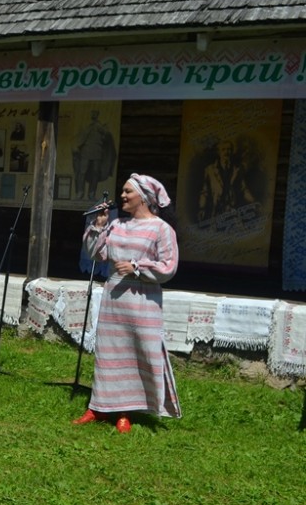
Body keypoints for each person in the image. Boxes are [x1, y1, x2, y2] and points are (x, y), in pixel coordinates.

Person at [74, 173, 181, 433]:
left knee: (136, 352)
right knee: (109, 353)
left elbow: (169, 266)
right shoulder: (116, 225)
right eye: (122, 191)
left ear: (143, 197)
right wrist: (99, 226)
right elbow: (96, 253)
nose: (122, 195)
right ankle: (99, 406)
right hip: (114, 299)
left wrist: (137, 267)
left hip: (143, 300)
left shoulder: (161, 229)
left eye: (127, 191)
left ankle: (125, 411)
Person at [197, 139, 254, 227]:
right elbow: (205, 192)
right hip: (217, 211)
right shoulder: (210, 170)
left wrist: (253, 202)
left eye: (229, 149)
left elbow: (244, 189)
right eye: (223, 149)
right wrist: (202, 208)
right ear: (219, 152)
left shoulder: (237, 170)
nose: (226, 152)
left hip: (233, 210)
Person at [73, 110, 116, 201]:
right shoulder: (86, 125)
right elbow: (79, 136)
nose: (94, 115)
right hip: (86, 151)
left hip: (97, 152)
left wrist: (101, 128)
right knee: (82, 172)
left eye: (95, 114)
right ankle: (80, 192)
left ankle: (91, 193)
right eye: (92, 113)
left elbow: (106, 135)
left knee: (95, 173)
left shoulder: (100, 126)